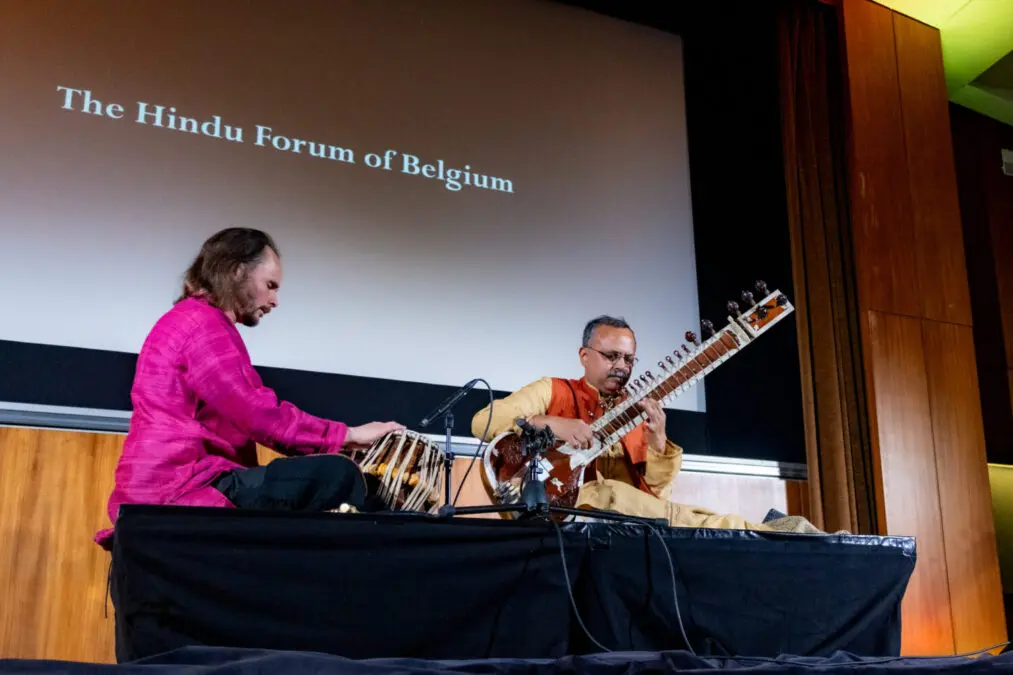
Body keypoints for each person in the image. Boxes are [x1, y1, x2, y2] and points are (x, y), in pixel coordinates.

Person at [95, 228, 403, 548]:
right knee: (337, 474)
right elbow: (258, 414)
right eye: (270, 285)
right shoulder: (202, 325)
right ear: (237, 271)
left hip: (177, 485)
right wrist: (348, 436)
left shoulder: (189, 321)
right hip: (182, 488)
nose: (274, 301)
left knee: (323, 478)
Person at [471, 315, 822, 533]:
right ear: (584, 356)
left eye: (628, 358)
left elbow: (656, 504)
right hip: (544, 503)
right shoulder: (553, 390)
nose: (621, 366)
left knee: (646, 506)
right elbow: (481, 422)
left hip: (618, 523)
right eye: (611, 356)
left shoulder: (635, 412)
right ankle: (764, 530)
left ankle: (760, 532)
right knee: (609, 493)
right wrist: (549, 424)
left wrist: (657, 444)